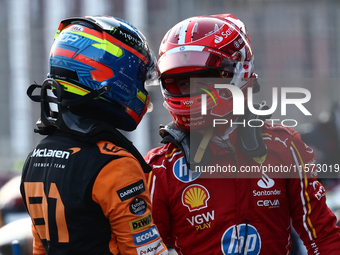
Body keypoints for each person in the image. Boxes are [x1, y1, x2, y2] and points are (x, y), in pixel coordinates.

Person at [144, 13, 340, 254]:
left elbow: (323, 237)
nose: (193, 91)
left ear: (238, 73)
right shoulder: (159, 168)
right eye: (183, 82)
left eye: (204, 78)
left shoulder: (284, 147)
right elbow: (144, 249)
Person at [20, 15, 168, 255]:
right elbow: (144, 252)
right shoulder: (115, 165)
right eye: (140, 78)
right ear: (115, 77)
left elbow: (40, 249)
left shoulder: (35, 157)